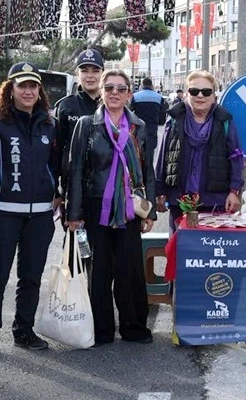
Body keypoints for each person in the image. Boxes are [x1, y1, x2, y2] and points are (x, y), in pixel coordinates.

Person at [66, 70, 157, 346]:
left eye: (120, 88)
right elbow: (76, 170)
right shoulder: (86, 125)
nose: (114, 93)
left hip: (129, 208)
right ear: (102, 93)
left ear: (129, 94)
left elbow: (147, 171)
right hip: (95, 207)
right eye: (109, 88)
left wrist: (150, 210)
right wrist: (74, 213)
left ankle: (133, 327)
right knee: (100, 269)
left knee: (130, 269)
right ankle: (102, 329)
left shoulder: (138, 127)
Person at [0, 62, 61, 359]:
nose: (28, 91)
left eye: (33, 86)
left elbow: (57, 165)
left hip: (40, 214)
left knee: (31, 276)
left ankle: (23, 330)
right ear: (9, 89)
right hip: (3, 212)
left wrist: (58, 194)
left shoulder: (50, 124)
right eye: (21, 85)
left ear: (39, 91)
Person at [155, 70, 244, 230]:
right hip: (180, 200)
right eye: (194, 91)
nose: (200, 96)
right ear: (186, 94)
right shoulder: (174, 120)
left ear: (213, 95)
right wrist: (159, 191)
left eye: (206, 91)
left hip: (215, 200)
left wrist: (234, 191)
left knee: (211, 249)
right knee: (180, 248)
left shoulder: (225, 121)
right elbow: (163, 156)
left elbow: (236, 157)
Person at [55, 49, 103, 199]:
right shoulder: (65, 106)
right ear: (78, 74)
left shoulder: (113, 105)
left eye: (95, 71)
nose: (90, 76)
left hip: (106, 186)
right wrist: (56, 190)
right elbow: (56, 150)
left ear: (103, 73)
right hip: (73, 185)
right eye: (84, 71)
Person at [132, 77, 167, 157]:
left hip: (138, 129)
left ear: (142, 85)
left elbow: (130, 112)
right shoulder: (159, 97)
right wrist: (160, 122)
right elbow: (162, 114)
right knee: (150, 154)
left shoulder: (135, 96)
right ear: (152, 85)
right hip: (152, 129)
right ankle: (149, 168)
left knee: (138, 153)